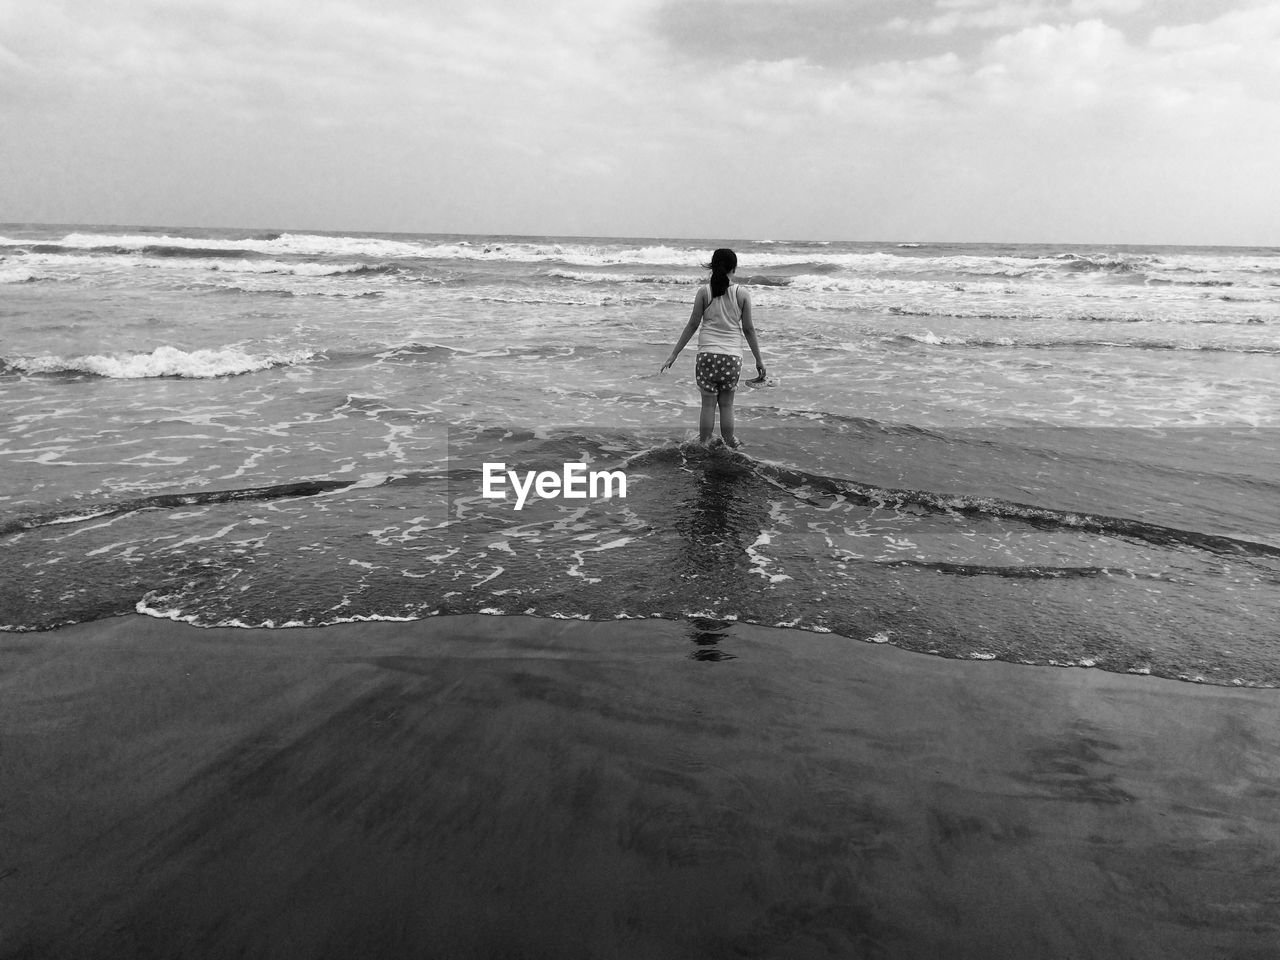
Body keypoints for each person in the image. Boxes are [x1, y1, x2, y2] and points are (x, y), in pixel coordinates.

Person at [659, 248, 766, 447]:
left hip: (707, 355)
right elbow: (749, 329)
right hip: (732, 358)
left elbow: (692, 325)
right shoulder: (742, 293)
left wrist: (674, 354)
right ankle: (729, 444)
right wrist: (759, 360)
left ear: (713, 265)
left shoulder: (704, 292)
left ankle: (704, 443)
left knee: (708, 405)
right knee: (727, 405)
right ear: (734, 268)